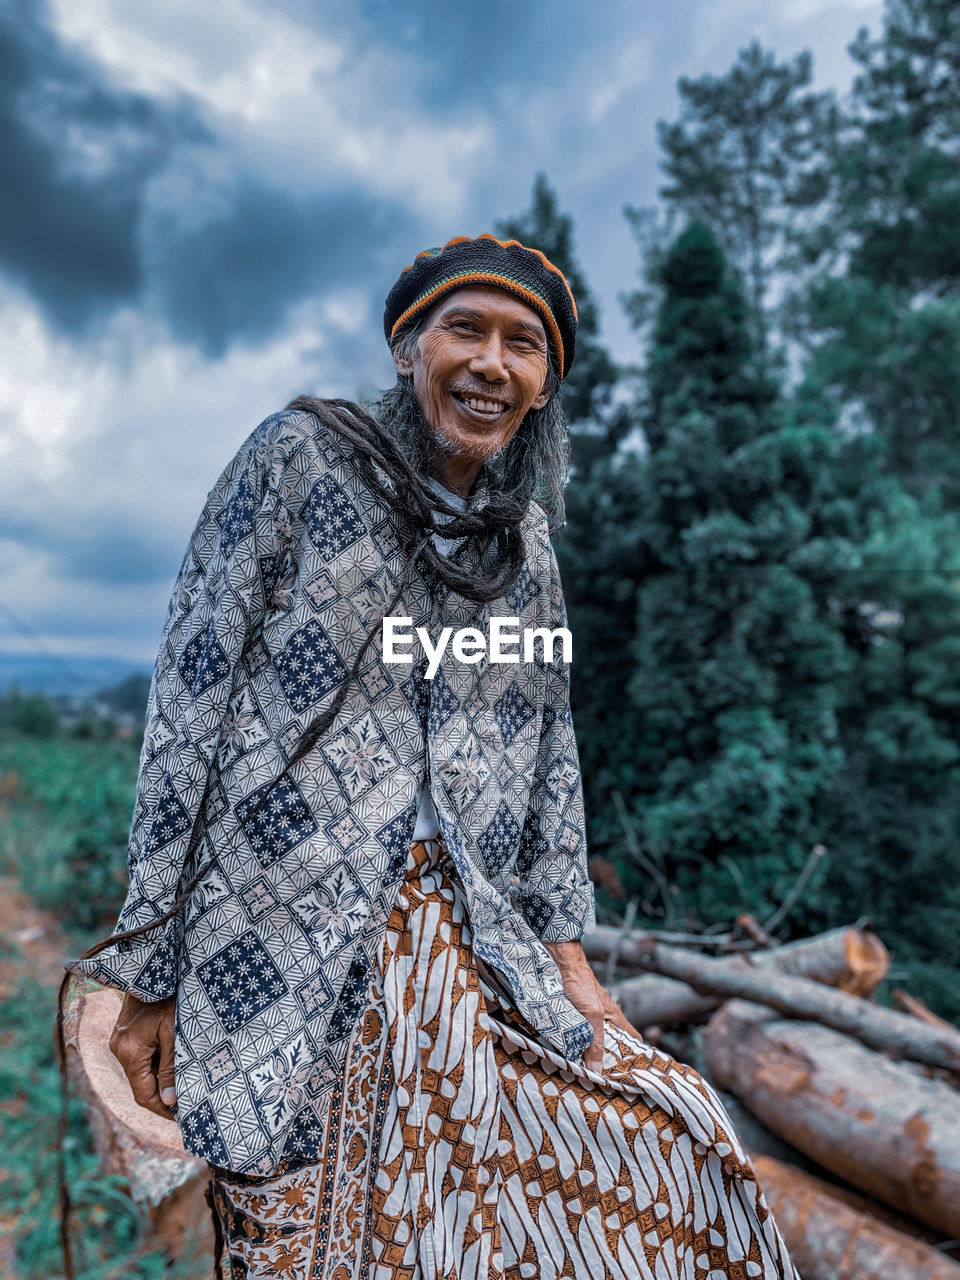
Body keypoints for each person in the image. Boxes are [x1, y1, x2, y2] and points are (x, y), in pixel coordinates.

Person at [69, 235, 798, 1279]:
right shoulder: (300, 458)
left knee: (674, 1141)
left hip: (467, 941)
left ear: (544, 387)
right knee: (294, 1230)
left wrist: (571, 957)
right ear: (411, 348)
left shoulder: (525, 546)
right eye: (467, 328)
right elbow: (192, 698)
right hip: (276, 942)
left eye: (525, 345)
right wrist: (142, 961)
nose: (493, 363)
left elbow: (553, 751)